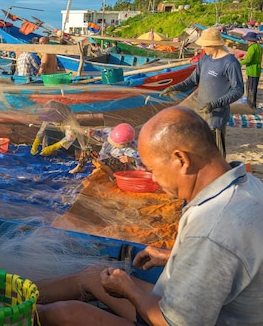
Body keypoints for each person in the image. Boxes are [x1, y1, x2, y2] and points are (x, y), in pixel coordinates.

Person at [35, 106, 263, 326]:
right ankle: (14, 295)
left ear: (181, 160)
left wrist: (128, 289)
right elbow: (230, 255)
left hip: (170, 318)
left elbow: (173, 322)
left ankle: (15, 314)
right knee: (94, 275)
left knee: (65, 314)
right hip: (188, 302)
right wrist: (176, 255)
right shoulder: (247, 186)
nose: (153, 180)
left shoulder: (211, 230)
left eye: (152, 170)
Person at [160, 27, 244, 157]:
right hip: (200, 113)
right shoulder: (205, 59)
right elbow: (192, 80)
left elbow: (238, 90)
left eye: (205, 45)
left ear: (213, 44)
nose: (202, 48)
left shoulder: (230, 63)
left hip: (216, 117)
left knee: (216, 155)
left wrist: (214, 104)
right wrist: (174, 87)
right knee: (201, 153)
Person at [239, 31, 261, 110]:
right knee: (253, 88)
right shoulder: (258, 46)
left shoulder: (252, 47)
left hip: (252, 70)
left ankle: (251, 106)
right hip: (257, 69)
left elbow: (249, 59)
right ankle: (252, 105)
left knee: (251, 89)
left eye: (247, 40)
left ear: (250, 40)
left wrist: (239, 62)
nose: (246, 42)